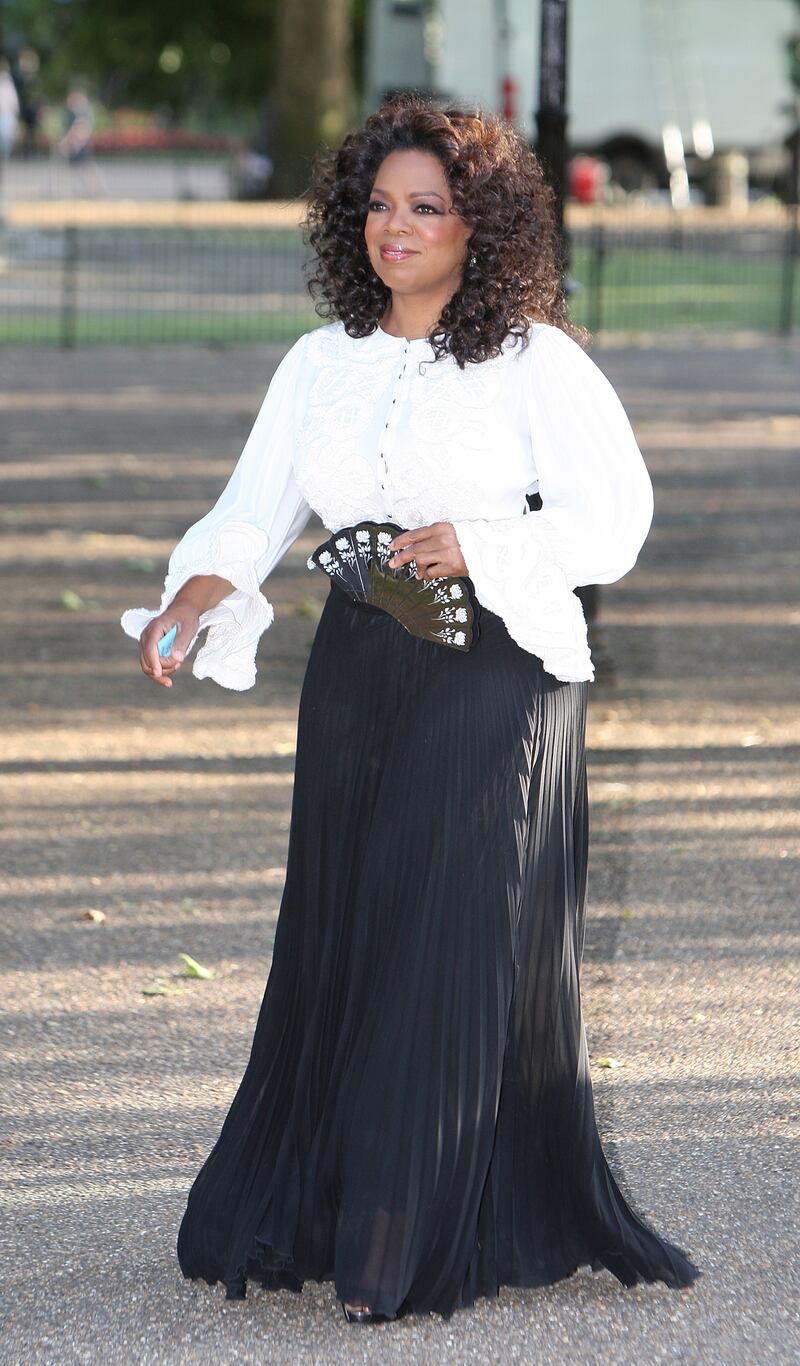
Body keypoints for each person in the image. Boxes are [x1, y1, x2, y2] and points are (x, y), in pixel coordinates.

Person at [121, 94, 701, 1324]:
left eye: (425, 207)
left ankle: (405, 1236)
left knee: (446, 932)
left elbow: (616, 521)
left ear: (476, 223)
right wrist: (191, 598)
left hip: (495, 666)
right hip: (357, 662)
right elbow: (255, 509)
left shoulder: (534, 359)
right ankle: (326, 1209)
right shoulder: (320, 361)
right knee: (346, 925)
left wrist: (481, 540)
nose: (397, 228)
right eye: (378, 205)